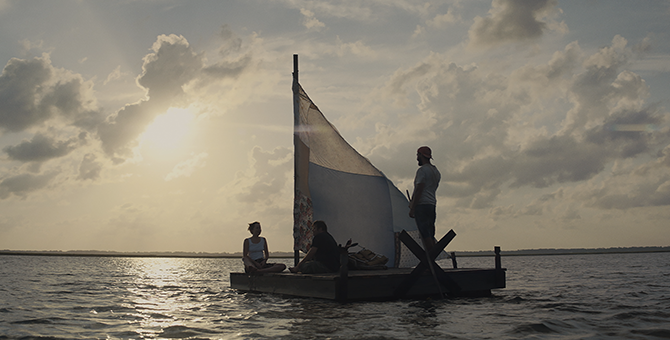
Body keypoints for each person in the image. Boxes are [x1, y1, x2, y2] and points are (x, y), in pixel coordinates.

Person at [409, 146, 441, 251]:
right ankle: (431, 258)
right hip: (432, 205)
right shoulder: (436, 172)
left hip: (422, 205)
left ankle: (430, 259)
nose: (417, 158)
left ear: (421, 156)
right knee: (430, 232)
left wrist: (413, 207)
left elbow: (419, 189)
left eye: (417, 155)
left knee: (424, 233)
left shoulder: (422, 171)